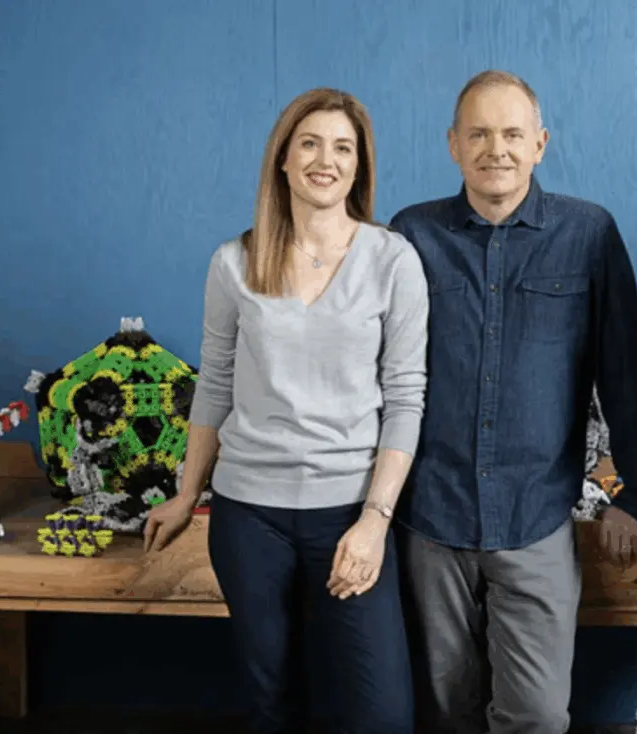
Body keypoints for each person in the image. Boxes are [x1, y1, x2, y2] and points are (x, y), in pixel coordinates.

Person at [143, 87, 429, 734]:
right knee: (272, 704)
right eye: (309, 143)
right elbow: (214, 384)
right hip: (249, 518)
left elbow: (407, 397)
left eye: (342, 147)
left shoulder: (393, 261)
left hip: (351, 514)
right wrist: (187, 493)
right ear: (282, 158)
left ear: (358, 167)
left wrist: (375, 520)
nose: (324, 159)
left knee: (381, 715)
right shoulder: (234, 263)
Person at [389, 70, 637, 734]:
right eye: (478, 133)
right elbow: (378, 376)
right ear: (452, 144)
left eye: (512, 133)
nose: (496, 149)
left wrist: (636, 494)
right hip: (429, 517)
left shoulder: (589, 233)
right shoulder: (409, 236)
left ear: (540, 143)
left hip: (536, 515)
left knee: (536, 717)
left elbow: (623, 371)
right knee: (443, 711)